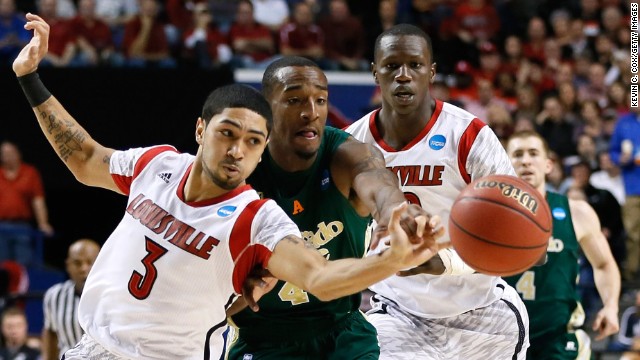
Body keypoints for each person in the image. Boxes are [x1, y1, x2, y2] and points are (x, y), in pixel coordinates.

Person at [12, 14, 443, 360]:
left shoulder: (257, 218)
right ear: (200, 130)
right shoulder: (157, 164)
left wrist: (394, 253)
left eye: (252, 142)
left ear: (261, 152)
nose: (238, 150)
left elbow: (322, 274)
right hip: (93, 348)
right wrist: (30, 79)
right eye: (228, 134)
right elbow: (86, 159)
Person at [228, 55, 442, 360]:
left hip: (342, 336)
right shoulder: (242, 168)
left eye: (320, 100)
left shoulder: (345, 154)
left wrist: (398, 211)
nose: (311, 113)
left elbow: (378, 182)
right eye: (294, 100)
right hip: (264, 339)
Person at [345, 24, 529, 359]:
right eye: (390, 66)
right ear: (375, 72)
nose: (403, 75)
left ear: (431, 72)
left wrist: (444, 262)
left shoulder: (470, 135)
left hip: (482, 311)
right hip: (398, 313)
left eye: (414, 65)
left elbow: (518, 238)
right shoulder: (351, 144)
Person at [504, 130, 621, 359]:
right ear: (504, 163)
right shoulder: (483, 219)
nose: (526, 160)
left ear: (548, 165)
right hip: (500, 338)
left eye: (533, 153)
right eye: (517, 154)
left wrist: (611, 306)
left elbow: (604, 264)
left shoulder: (577, 212)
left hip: (557, 339)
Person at [41, 238, 100, 360]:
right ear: (68, 266)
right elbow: (51, 334)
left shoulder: (113, 296)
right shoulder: (54, 296)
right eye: (77, 263)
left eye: (90, 262)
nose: (83, 268)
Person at [0, 140, 54, 266]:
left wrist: (43, 223)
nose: (8, 156)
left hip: (22, 227)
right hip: (1, 227)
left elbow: (38, 200)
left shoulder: (30, 173)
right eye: (4, 153)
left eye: (10, 152)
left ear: (18, 153)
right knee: (2, 266)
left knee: (24, 264)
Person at [609, 106, 640, 281]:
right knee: (633, 233)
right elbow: (613, 151)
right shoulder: (624, 123)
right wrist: (619, 159)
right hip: (633, 187)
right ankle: (632, 276)